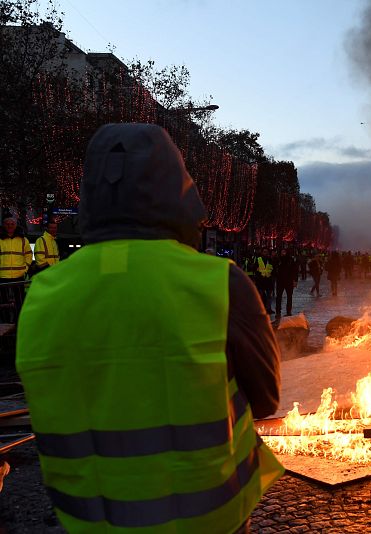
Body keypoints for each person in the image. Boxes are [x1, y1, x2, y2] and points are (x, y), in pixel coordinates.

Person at [16, 123, 283, 533]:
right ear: (178, 189)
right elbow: (266, 400)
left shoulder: (39, 295)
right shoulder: (219, 283)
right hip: (209, 519)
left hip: (90, 521)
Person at [0, 214, 32, 282]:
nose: (10, 226)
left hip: (19, 275)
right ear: (4, 225)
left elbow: (29, 255)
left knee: (19, 293)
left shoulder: (23, 239)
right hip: (2, 275)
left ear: (16, 225)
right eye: (7, 224)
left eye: (12, 224)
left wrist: (25, 268)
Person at [274, 247, 297, 317]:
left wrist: (295, 280)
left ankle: (288, 311)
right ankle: (278, 312)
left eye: (284, 252)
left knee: (289, 297)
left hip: (289, 281)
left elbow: (294, 271)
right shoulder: (278, 260)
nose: (282, 253)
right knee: (278, 297)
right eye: (281, 252)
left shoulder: (291, 260)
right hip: (280, 281)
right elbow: (275, 269)